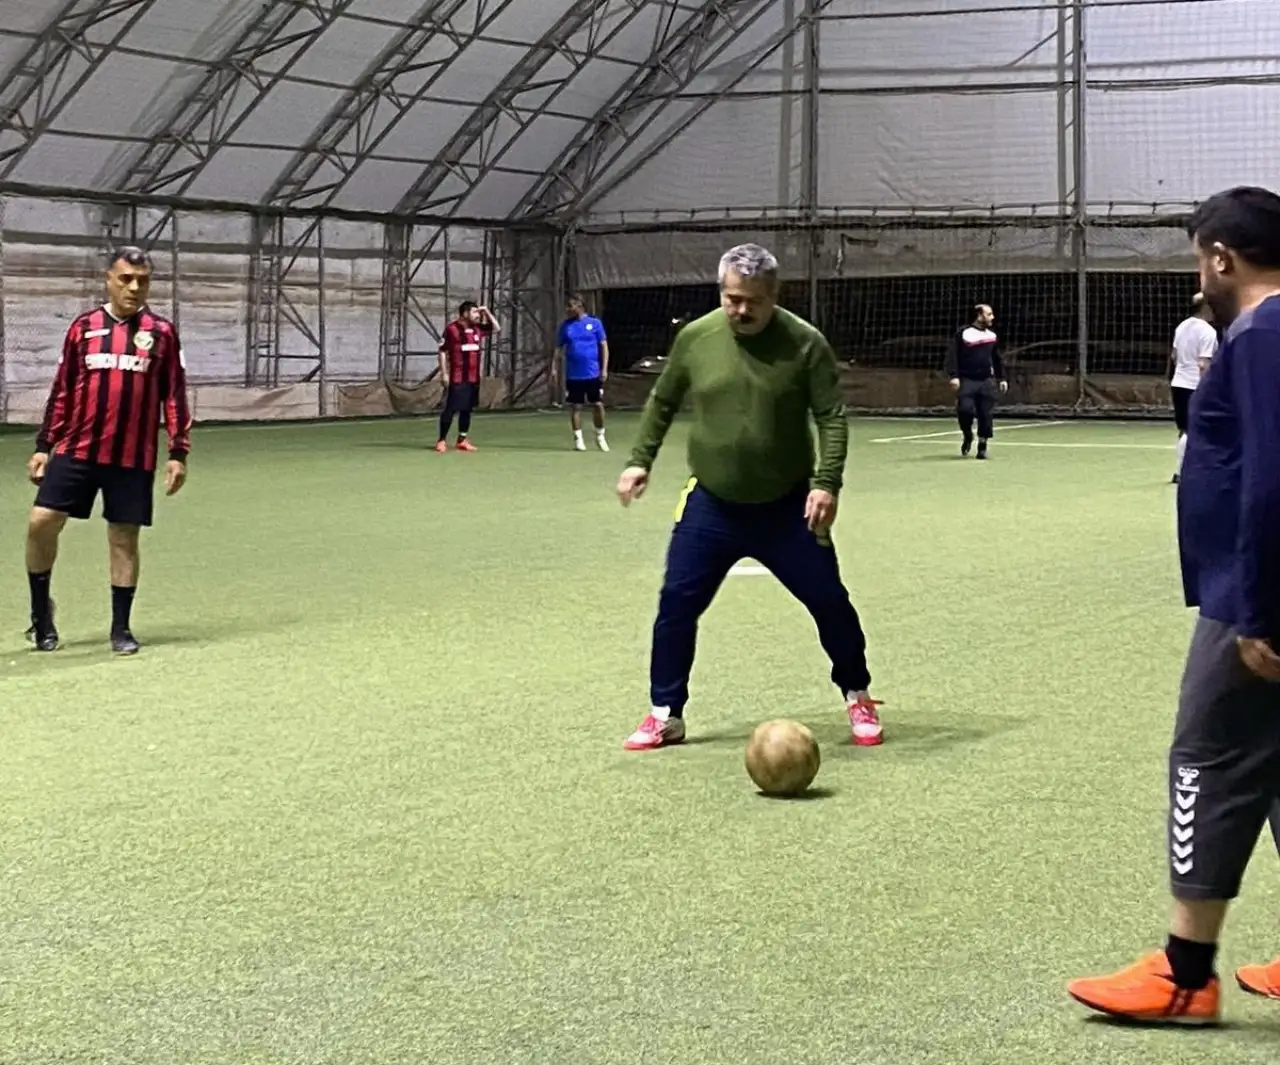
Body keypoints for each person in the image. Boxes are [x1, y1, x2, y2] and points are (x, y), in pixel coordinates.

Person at [1067, 185, 1280, 1025]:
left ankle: (1185, 975)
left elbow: (1271, 479)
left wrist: (1261, 610)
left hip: (1253, 595)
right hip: (1258, 586)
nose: (1200, 279)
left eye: (1201, 261)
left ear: (1222, 257)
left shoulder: (1262, 333)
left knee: (1207, 757)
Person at [614, 242, 883, 751]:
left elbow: (831, 416)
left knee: (829, 600)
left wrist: (826, 483)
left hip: (789, 507)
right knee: (676, 603)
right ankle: (666, 713)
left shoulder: (805, 344)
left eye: (752, 301)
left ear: (773, 295)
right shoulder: (697, 338)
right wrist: (639, 460)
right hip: (712, 504)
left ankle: (858, 694)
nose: (740, 310)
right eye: (731, 298)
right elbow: (663, 400)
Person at [24, 246, 191, 655]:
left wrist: (178, 451)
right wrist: (44, 445)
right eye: (126, 279)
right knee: (41, 521)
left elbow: (174, 394)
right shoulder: (84, 327)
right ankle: (41, 613)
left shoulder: (162, 332)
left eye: (142, 281)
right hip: (77, 449)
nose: (134, 288)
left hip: (132, 456)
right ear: (109, 280)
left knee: (123, 537)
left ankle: (121, 629)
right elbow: (62, 390)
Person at [944, 303, 1007, 459]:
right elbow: (952, 355)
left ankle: (982, 445)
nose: (992, 317)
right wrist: (954, 376)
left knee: (985, 414)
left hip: (986, 381)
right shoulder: (963, 334)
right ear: (979, 316)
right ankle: (967, 435)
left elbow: (996, 359)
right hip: (967, 380)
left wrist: (1002, 378)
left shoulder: (992, 336)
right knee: (965, 410)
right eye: (989, 314)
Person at [436, 300, 499, 452]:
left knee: (467, 409)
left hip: (473, 378)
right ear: (465, 313)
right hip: (458, 377)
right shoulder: (451, 329)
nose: (478, 315)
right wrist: (444, 373)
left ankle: (462, 440)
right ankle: (441, 440)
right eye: (475, 312)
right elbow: (442, 351)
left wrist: (486, 311)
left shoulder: (477, 329)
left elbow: (497, 328)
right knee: (451, 409)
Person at [1169, 291, 1217, 484]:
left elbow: (1174, 356)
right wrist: (1209, 387)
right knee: (1196, 429)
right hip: (1195, 385)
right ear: (1206, 307)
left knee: (1184, 429)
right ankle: (1187, 471)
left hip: (1178, 383)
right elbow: (1203, 364)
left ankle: (1181, 469)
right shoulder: (1208, 332)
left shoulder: (1181, 327)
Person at [555, 294, 610, 452]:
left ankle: (600, 436)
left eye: (571, 305)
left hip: (592, 373)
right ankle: (578, 439)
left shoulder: (595, 323)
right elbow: (558, 348)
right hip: (574, 374)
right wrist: (554, 368)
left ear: (580, 305)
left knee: (597, 404)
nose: (568, 309)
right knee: (576, 406)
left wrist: (604, 369)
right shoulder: (566, 326)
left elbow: (604, 346)